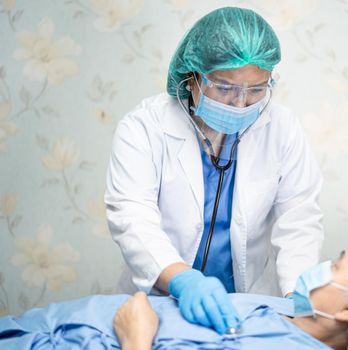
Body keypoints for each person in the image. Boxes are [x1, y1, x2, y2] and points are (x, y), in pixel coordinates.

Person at [104, 6, 324, 335]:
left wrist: (299, 297)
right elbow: (131, 214)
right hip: (161, 299)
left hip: (247, 306)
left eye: (256, 90)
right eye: (225, 88)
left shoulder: (281, 129)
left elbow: (299, 219)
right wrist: (182, 279)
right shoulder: (145, 127)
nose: (240, 104)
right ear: (192, 76)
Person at [0, 239, 348, 349]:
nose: (322, 266)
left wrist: (136, 339)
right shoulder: (280, 310)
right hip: (33, 327)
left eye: (337, 263)